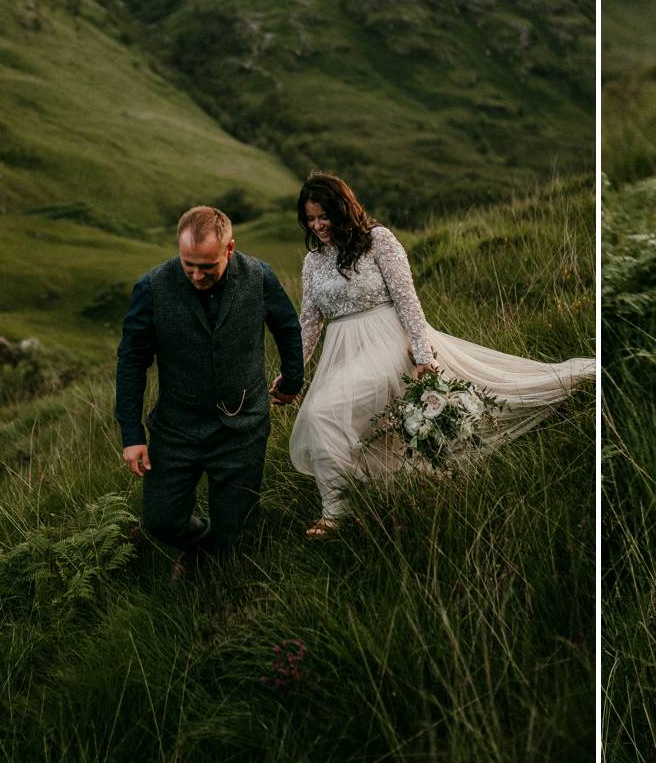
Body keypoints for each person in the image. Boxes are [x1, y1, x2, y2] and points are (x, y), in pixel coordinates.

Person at [284, 172, 595, 537]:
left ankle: (336, 513)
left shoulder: (377, 240)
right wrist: (292, 372)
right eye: (311, 218)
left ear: (342, 210)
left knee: (326, 412)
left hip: (386, 342)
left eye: (324, 216)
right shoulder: (313, 260)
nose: (318, 225)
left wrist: (422, 355)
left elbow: (407, 300)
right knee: (326, 418)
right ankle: (344, 507)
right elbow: (309, 322)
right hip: (341, 352)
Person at [115, 206, 304, 577]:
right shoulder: (151, 288)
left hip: (243, 425)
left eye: (207, 267)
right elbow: (132, 360)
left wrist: (292, 381)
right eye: (189, 266)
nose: (197, 275)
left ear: (230, 249)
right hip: (177, 429)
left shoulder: (259, 277)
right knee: (161, 521)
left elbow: (287, 327)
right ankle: (201, 543)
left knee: (238, 537)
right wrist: (132, 434)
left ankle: (212, 577)